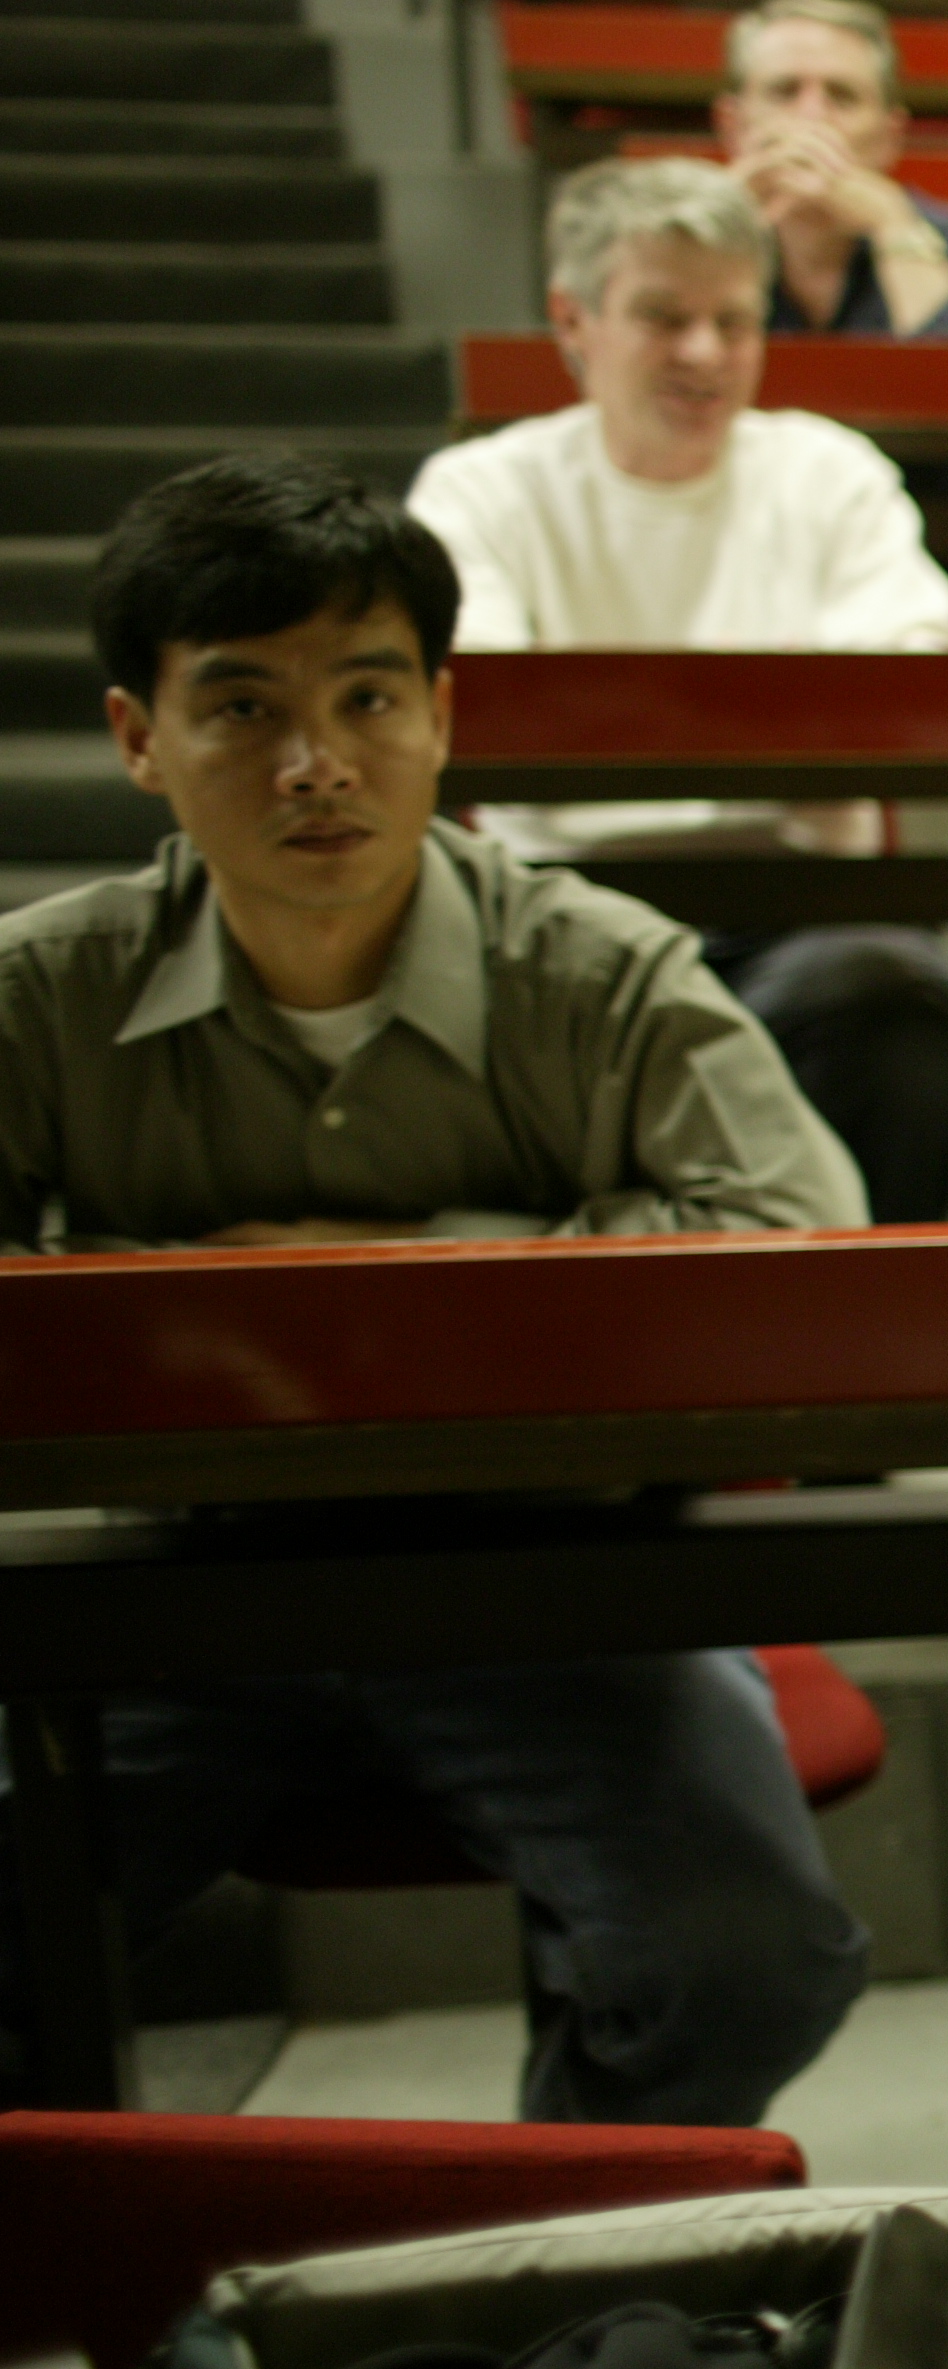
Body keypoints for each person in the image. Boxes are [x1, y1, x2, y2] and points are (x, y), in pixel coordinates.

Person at [0, 450, 871, 2121]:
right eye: (241, 709)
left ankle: (554, 2231)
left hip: (547, 1581)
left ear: (442, 714)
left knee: (746, 1960)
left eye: (369, 697)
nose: (317, 763)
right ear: (137, 739)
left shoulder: (598, 971)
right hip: (175, 1589)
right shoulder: (45, 995)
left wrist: (356, 1282)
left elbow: (798, 1244)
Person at [408, 154, 948, 1223]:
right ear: (573, 320)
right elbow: (481, 696)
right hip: (562, 913)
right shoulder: (484, 489)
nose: (705, 353)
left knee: (898, 1014)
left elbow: (907, 672)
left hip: (798, 908)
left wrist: (621, 712)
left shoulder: (830, 473)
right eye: (664, 317)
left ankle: (864, 1310)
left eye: (735, 320)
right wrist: (779, 718)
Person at [713, 0, 948, 341]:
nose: (812, 116)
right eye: (784, 91)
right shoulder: (681, 230)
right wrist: (718, 221)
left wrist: (895, 230)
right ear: (733, 125)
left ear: (890, 137)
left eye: (842, 96)